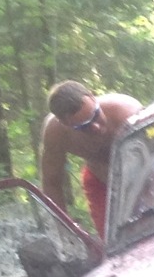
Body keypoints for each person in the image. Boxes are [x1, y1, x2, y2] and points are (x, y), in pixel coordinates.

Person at [39, 80, 140, 238]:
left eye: (95, 115)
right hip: (101, 182)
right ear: (64, 123)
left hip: (145, 170)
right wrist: (64, 229)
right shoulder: (55, 133)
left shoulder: (126, 111)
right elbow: (51, 182)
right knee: (113, 239)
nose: (96, 127)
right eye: (84, 127)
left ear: (93, 97)